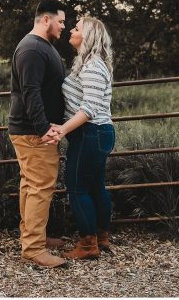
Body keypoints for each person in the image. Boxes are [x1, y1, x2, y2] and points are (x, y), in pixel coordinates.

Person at [47, 16, 116, 260]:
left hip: (92, 134)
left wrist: (63, 129)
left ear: (88, 36)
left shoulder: (93, 66)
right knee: (95, 186)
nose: (72, 30)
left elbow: (89, 110)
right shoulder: (86, 63)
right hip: (94, 135)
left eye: (77, 28)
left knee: (76, 188)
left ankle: (88, 245)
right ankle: (101, 237)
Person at [8, 0, 69, 269]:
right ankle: (33, 248)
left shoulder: (41, 47)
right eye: (61, 21)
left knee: (31, 186)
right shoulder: (32, 49)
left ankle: (33, 236)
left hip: (33, 132)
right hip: (34, 133)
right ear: (46, 19)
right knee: (40, 187)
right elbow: (30, 91)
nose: (64, 27)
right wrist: (44, 128)